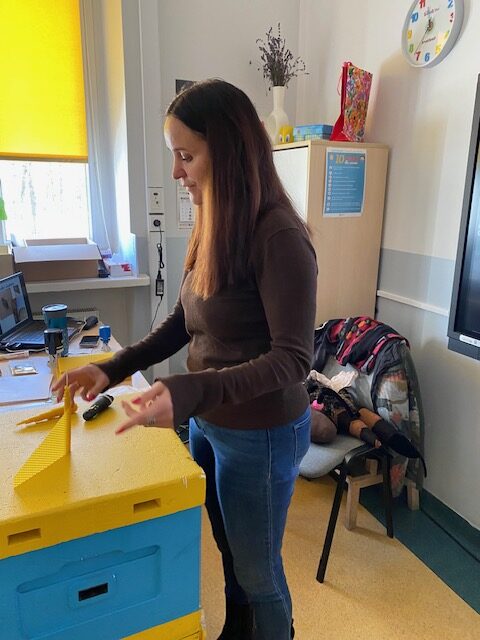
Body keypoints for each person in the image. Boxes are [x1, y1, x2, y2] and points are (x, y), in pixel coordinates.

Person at [52, 79, 318, 640]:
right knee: (227, 546)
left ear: (228, 152)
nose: (176, 172)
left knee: (259, 570)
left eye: (186, 156)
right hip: (210, 422)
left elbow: (293, 360)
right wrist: (111, 368)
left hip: (262, 431)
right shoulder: (212, 219)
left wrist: (190, 390)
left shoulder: (279, 236)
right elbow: (183, 322)